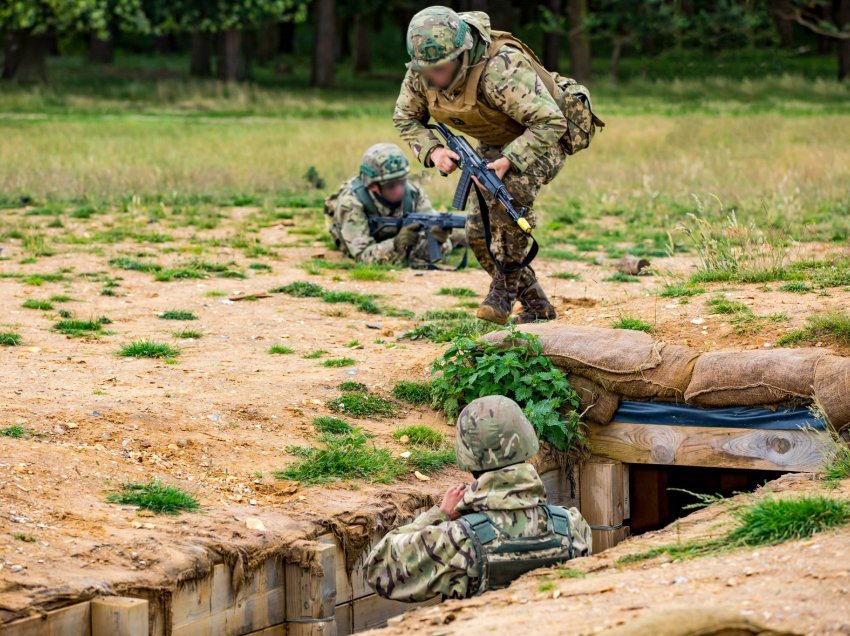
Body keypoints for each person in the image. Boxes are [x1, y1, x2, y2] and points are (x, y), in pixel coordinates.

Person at [394, 6, 599, 324]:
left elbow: (549, 121)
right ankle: (536, 307)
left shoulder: (499, 67)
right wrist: (434, 151)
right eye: (427, 70)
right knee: (478, 230)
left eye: (442, 68)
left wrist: (510, 159)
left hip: (545, 134)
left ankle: (502, 293)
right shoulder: (423, 72)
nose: (434, 77)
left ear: (462, 53)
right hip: (496, 138)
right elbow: (405, 117)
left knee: (510, 199)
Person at [364, 395, 591, 602]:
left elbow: (378, 568)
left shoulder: (457, 540)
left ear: (468, 458)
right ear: (526, 443)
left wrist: (440, 515)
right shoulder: (571, 526)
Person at [324, 142, 463, 266]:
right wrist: (396, 244)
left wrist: (437, 239)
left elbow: (427, 253)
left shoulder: (414, 193)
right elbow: (363, 257)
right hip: (363, 242)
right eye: (391, 186)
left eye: (402, 181)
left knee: (462, 233)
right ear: (373, 186)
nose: (399, 190)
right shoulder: (351, 202)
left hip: (398, 241)